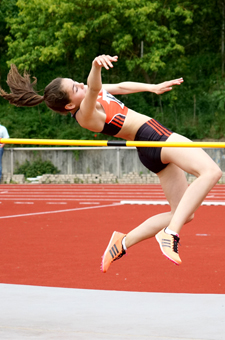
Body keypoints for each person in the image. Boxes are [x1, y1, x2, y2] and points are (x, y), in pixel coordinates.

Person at [0, 55, 222, 272]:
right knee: (211, 172)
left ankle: (122, 242)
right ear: (69, 106)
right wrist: (95, 65)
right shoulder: (85, 113)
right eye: (75, 88)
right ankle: (170, 233)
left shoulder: (90, 93)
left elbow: (121, 87)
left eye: (75, 81)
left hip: (147, 148)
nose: (79, 85)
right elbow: (94, 86)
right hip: (153, 136)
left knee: (184, 212)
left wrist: (152, 87)